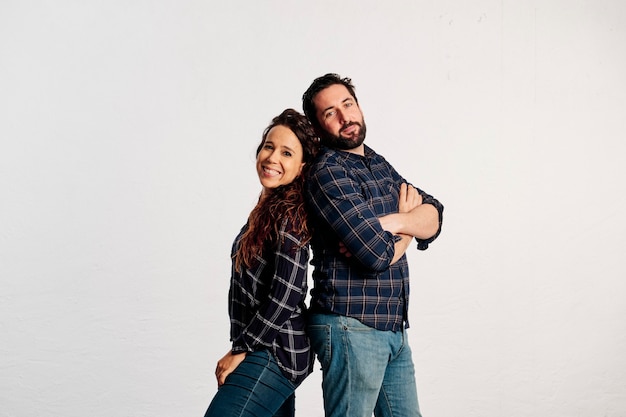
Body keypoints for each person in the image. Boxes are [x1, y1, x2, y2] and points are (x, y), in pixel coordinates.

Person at [301, 73, 444, 417]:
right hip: (351, 324)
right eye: (330, 113)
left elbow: (435, 215)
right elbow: (374, 254)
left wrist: (393, 223)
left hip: (392, 325)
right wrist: (409, 227)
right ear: (318, 126)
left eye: (347, 104)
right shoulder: (327, 172)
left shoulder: (376, 163)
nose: (344, 117)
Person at [203, 109, 319, 417]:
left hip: (277, 351)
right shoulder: (266, 210)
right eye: (269, 146)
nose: (272, 158)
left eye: (286, 153)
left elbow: (287, 294)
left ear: (301, 166)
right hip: (266, 347)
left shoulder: (290, 215)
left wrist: (241, 349)